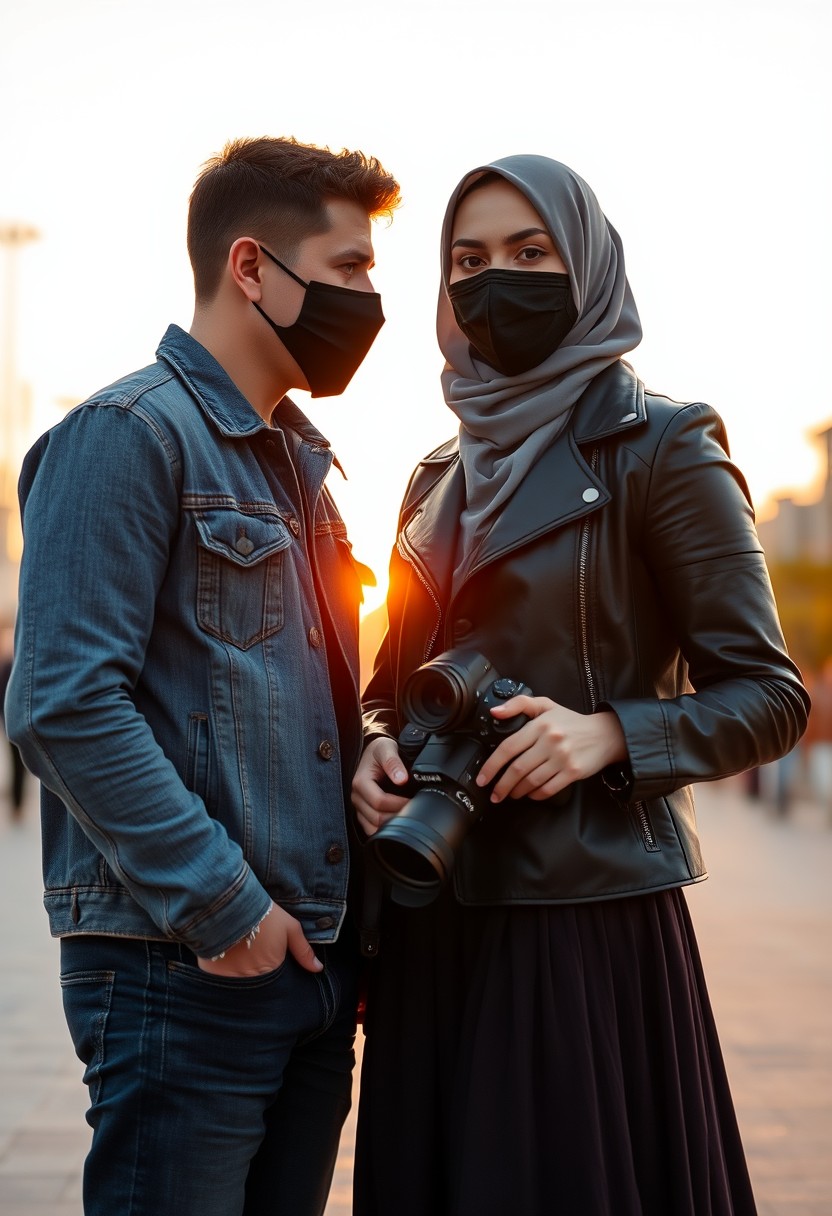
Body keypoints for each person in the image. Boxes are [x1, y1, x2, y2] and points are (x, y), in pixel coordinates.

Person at [351, 155, 809, 1216]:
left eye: (528, 253)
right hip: (435, 907)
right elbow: (387, 682)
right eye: (467, 261)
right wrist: (376, 741)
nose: (493, 281)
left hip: (579, 923)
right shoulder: (433, 473)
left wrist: (610, 734)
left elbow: (768, 694)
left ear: (588, 266)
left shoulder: (663, 444)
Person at [5, 136, 400, 1216]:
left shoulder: (302, 473)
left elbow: (287, 705)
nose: (372, 299)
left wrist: (366, 757)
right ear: (251, 267)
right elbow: (63, 702)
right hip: (182, 968)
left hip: (306, 974)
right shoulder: (124, 435)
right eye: (352, 267)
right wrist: (228, 911)